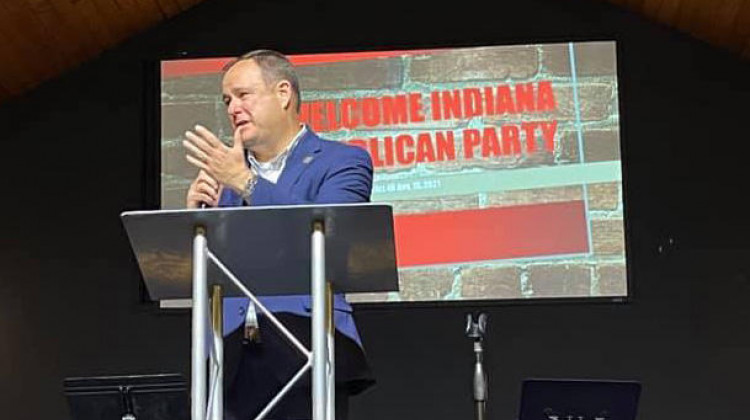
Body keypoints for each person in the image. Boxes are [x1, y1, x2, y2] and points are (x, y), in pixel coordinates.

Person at [183, 50, 374, 420]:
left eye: (243, 95)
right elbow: (199, 275)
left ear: (284, 93)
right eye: (226, 100)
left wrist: (245, 182)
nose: (233, 108)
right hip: (229, 358)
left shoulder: (343, 161)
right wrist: (196, 218)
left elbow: (333, 238)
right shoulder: (220, 183)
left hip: (307, 346)